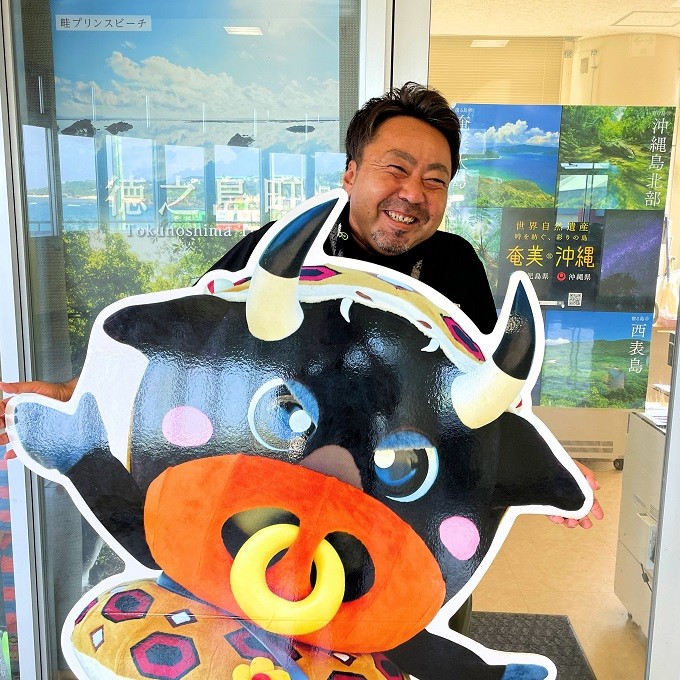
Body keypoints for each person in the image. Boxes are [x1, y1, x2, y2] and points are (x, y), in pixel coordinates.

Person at [0, 84, 603, 628]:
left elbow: (488, 399)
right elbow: (186, 359)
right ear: (351, 172)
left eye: (435, 180)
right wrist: (72, 393)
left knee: (398, 649)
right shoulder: (271, 254)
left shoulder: (457, 264)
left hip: (398, 534)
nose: (412, 193)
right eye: (396, 168)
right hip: (257, 520)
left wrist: (554, 467)